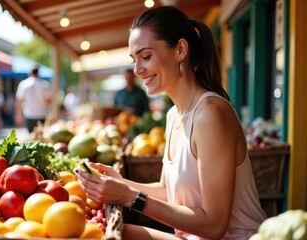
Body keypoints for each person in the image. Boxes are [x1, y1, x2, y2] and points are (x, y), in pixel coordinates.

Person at [75, 6, 266, 239]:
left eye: (146, 57)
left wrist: (128, 197)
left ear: (180, 50)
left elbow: (215, 225)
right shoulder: (173, 115)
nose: (137, 70)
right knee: (99, 233)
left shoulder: (210, 114)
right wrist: (121, 183)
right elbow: (168, 191)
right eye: (134, 60)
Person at [15, 66, 51, 133]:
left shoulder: (24, 84)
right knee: (41, 137)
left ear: (30, 73)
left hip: (29, 115)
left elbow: (19, 101)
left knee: (31, 136)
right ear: (38, 73)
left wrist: (18, 116)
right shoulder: (45, 85)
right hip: (41, 114)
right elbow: (49, 101)